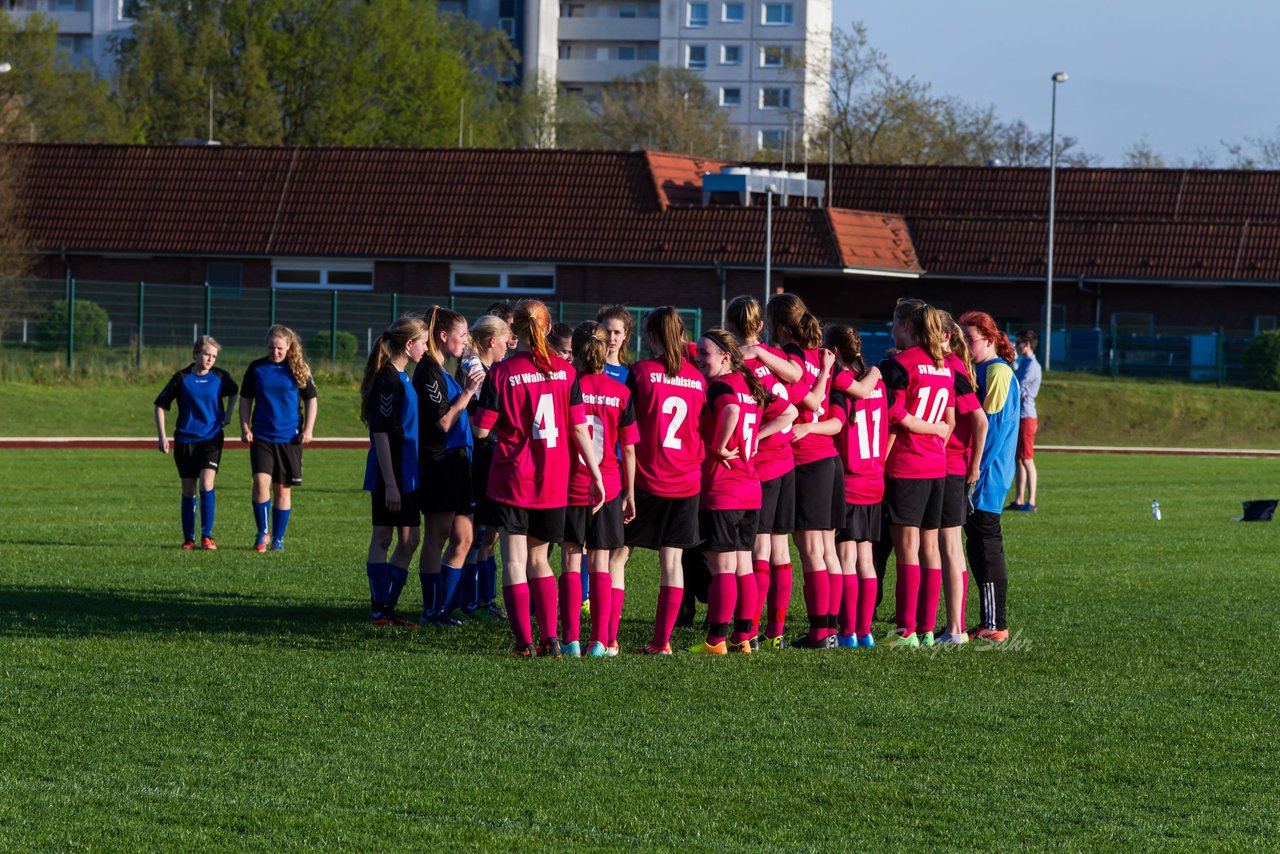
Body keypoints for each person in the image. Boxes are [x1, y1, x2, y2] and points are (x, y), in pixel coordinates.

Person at [474, 299, 604, 658]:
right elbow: (579, 428)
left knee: (514, 561)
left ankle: (524, 643)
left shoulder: (502, 372)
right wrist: (595, 475)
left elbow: (482, 431)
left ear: (515, 330)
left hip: (513, 477)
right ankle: (550, 638)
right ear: (547, 329)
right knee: (541, 559)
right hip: (553, 479)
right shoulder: (566, 372)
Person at [756, 293, 843, 650]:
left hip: (808, 459)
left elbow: (813, 402)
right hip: (829, 458)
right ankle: (830, 629)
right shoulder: (817, 354)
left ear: (777, 324)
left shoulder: (790, 358)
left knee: (810, 549)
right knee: (826, 549)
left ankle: (819, 632)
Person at [624, 306, 707, 655]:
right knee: (671, 563)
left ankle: (606, 638)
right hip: (686, 481)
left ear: (655, 335)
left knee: (616, 556)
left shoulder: (640, 372)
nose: (643, 337)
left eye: (647, 331)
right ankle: (662, 642)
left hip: (646, 480)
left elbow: (625, 427)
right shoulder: (699, 379)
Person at [687, 328, 772, 655]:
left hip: (724, 489)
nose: (699, 359)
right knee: (743, 566)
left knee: (722, 567)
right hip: (750, 488)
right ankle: (743, 636)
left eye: (705, 353)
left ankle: (716, 640)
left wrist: (719, 445)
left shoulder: (721, 386)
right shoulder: (747, 384)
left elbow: (731, 411)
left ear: (725, 356)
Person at [878, 300, 955, 648]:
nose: (892, 329)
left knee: (907, 548)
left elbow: (894, 416)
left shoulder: (898, 365)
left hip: (907, 464)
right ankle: (926, 627)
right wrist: (935, 432)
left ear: (907, 326)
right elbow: (947, 423)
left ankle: (905, 630)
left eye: (894, 323)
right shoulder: (945, 367)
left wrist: (881, 462)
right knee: (929, 548)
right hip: (936, 465)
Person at [725, 295, 799, 650]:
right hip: (787, 461)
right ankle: (775, 632)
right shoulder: (777, 357)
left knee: (758, 551)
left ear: (728, 327)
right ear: (759, 326)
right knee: (779, 549)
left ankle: (749, 631)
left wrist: (753, 437)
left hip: (764, 464)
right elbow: (795, 391)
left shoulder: (738, 366)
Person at [563, 321, 638, 658]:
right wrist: (630, 493)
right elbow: (631, 448)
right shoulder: (621, 392)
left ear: (576, 351)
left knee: (569, 559)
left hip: (573, 483)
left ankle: (571, 640)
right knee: (602, 563)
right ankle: (602, 640)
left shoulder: (566, 386)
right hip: (609, 483)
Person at [414, 306, 483, 627]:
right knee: (437, 536)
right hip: (439, 462)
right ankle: (432, 610)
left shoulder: (443, 370)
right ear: (443, 336)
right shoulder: (427, 371)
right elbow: (443, 421)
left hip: (459, 463)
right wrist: (468, 391)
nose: (466, 341)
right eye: (462, 334)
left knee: (464, 538)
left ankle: (444, 608)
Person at [360, 316, 428, 627]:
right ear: (409, 344)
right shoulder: (387, 380)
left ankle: (387, 606)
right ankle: (380, 610)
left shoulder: (402, 377)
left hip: (408, 472)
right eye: (423, 343)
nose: (426, 349)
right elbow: (382, 435)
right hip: (392, 472)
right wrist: (389, 483)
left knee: (411, 538)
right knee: (384, 536)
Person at [958, 311, 1021, 642]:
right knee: (978, 547)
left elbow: (992, 429)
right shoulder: (982, 369)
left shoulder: (996, 371)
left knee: (986, 546)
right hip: (980, 473)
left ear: (990, 339)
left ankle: (995, 623)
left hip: (986, 476)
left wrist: (974, 469)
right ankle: (989, 621)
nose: (965, 345)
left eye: (970, 339)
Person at [930, 313, 987, 645]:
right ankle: (945, 625)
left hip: (951, 466)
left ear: (947, 337)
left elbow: (980, 421)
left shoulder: (952, 369)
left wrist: (974, 465)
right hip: (942, 465)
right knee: (940, 546)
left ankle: (955, 628)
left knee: (949, 547)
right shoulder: (948, 367)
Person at [154, 336, 239, 550]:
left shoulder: (220, 377)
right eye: (206, 354)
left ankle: (207, 536)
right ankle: (189, 539)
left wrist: (228, 414)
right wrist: (162, 436)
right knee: (188, 490)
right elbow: (160, 405)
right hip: (185, 440)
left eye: (214, 356)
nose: (210, 359)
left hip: (211, 439)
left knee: (206, 484)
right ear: (196, 354)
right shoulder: (181, 378)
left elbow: (235, 391)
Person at [239, 324, 317, 552]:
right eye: (272, 347)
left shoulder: (298, 368)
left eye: (280, 348)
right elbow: (245, 399)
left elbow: (311, 399)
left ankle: (278, 539)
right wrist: (245, 427)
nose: (275, 352)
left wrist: (309, 429)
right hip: (262, 436)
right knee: (260, 482)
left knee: (282, 489)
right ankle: (263, 532)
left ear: (289, 347)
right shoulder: (257, 368)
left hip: (289, 438)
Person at [458, 313, 511, 622]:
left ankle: (483, 599)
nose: (508, 347)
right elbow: (479, 418)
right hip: (479, 459)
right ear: (493, 342)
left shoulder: (487, 369)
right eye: (505, 342)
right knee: (481, 533)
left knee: (488, 533)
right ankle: (474, 600)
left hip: (487, 456)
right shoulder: (476, 370)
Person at [596, 304, 635, 653]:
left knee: (617, 555)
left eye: (617, 332)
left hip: (617, 474)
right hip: (583, 473)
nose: (610, 337)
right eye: (606, 330)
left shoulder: (631, 376)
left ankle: (610, 634)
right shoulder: (582, 371)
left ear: (626, 337)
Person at [1011, 330, 1041, 512]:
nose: (1017, 345)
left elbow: (1017, 387)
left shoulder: (1032, 365)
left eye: (1020, 342)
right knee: (1019, 459)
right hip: (1021, 416)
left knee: (1027, 459)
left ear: (1027, 344)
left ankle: (1031, 501)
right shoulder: (1024, 363)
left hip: (1026, 416)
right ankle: (1019, 499)